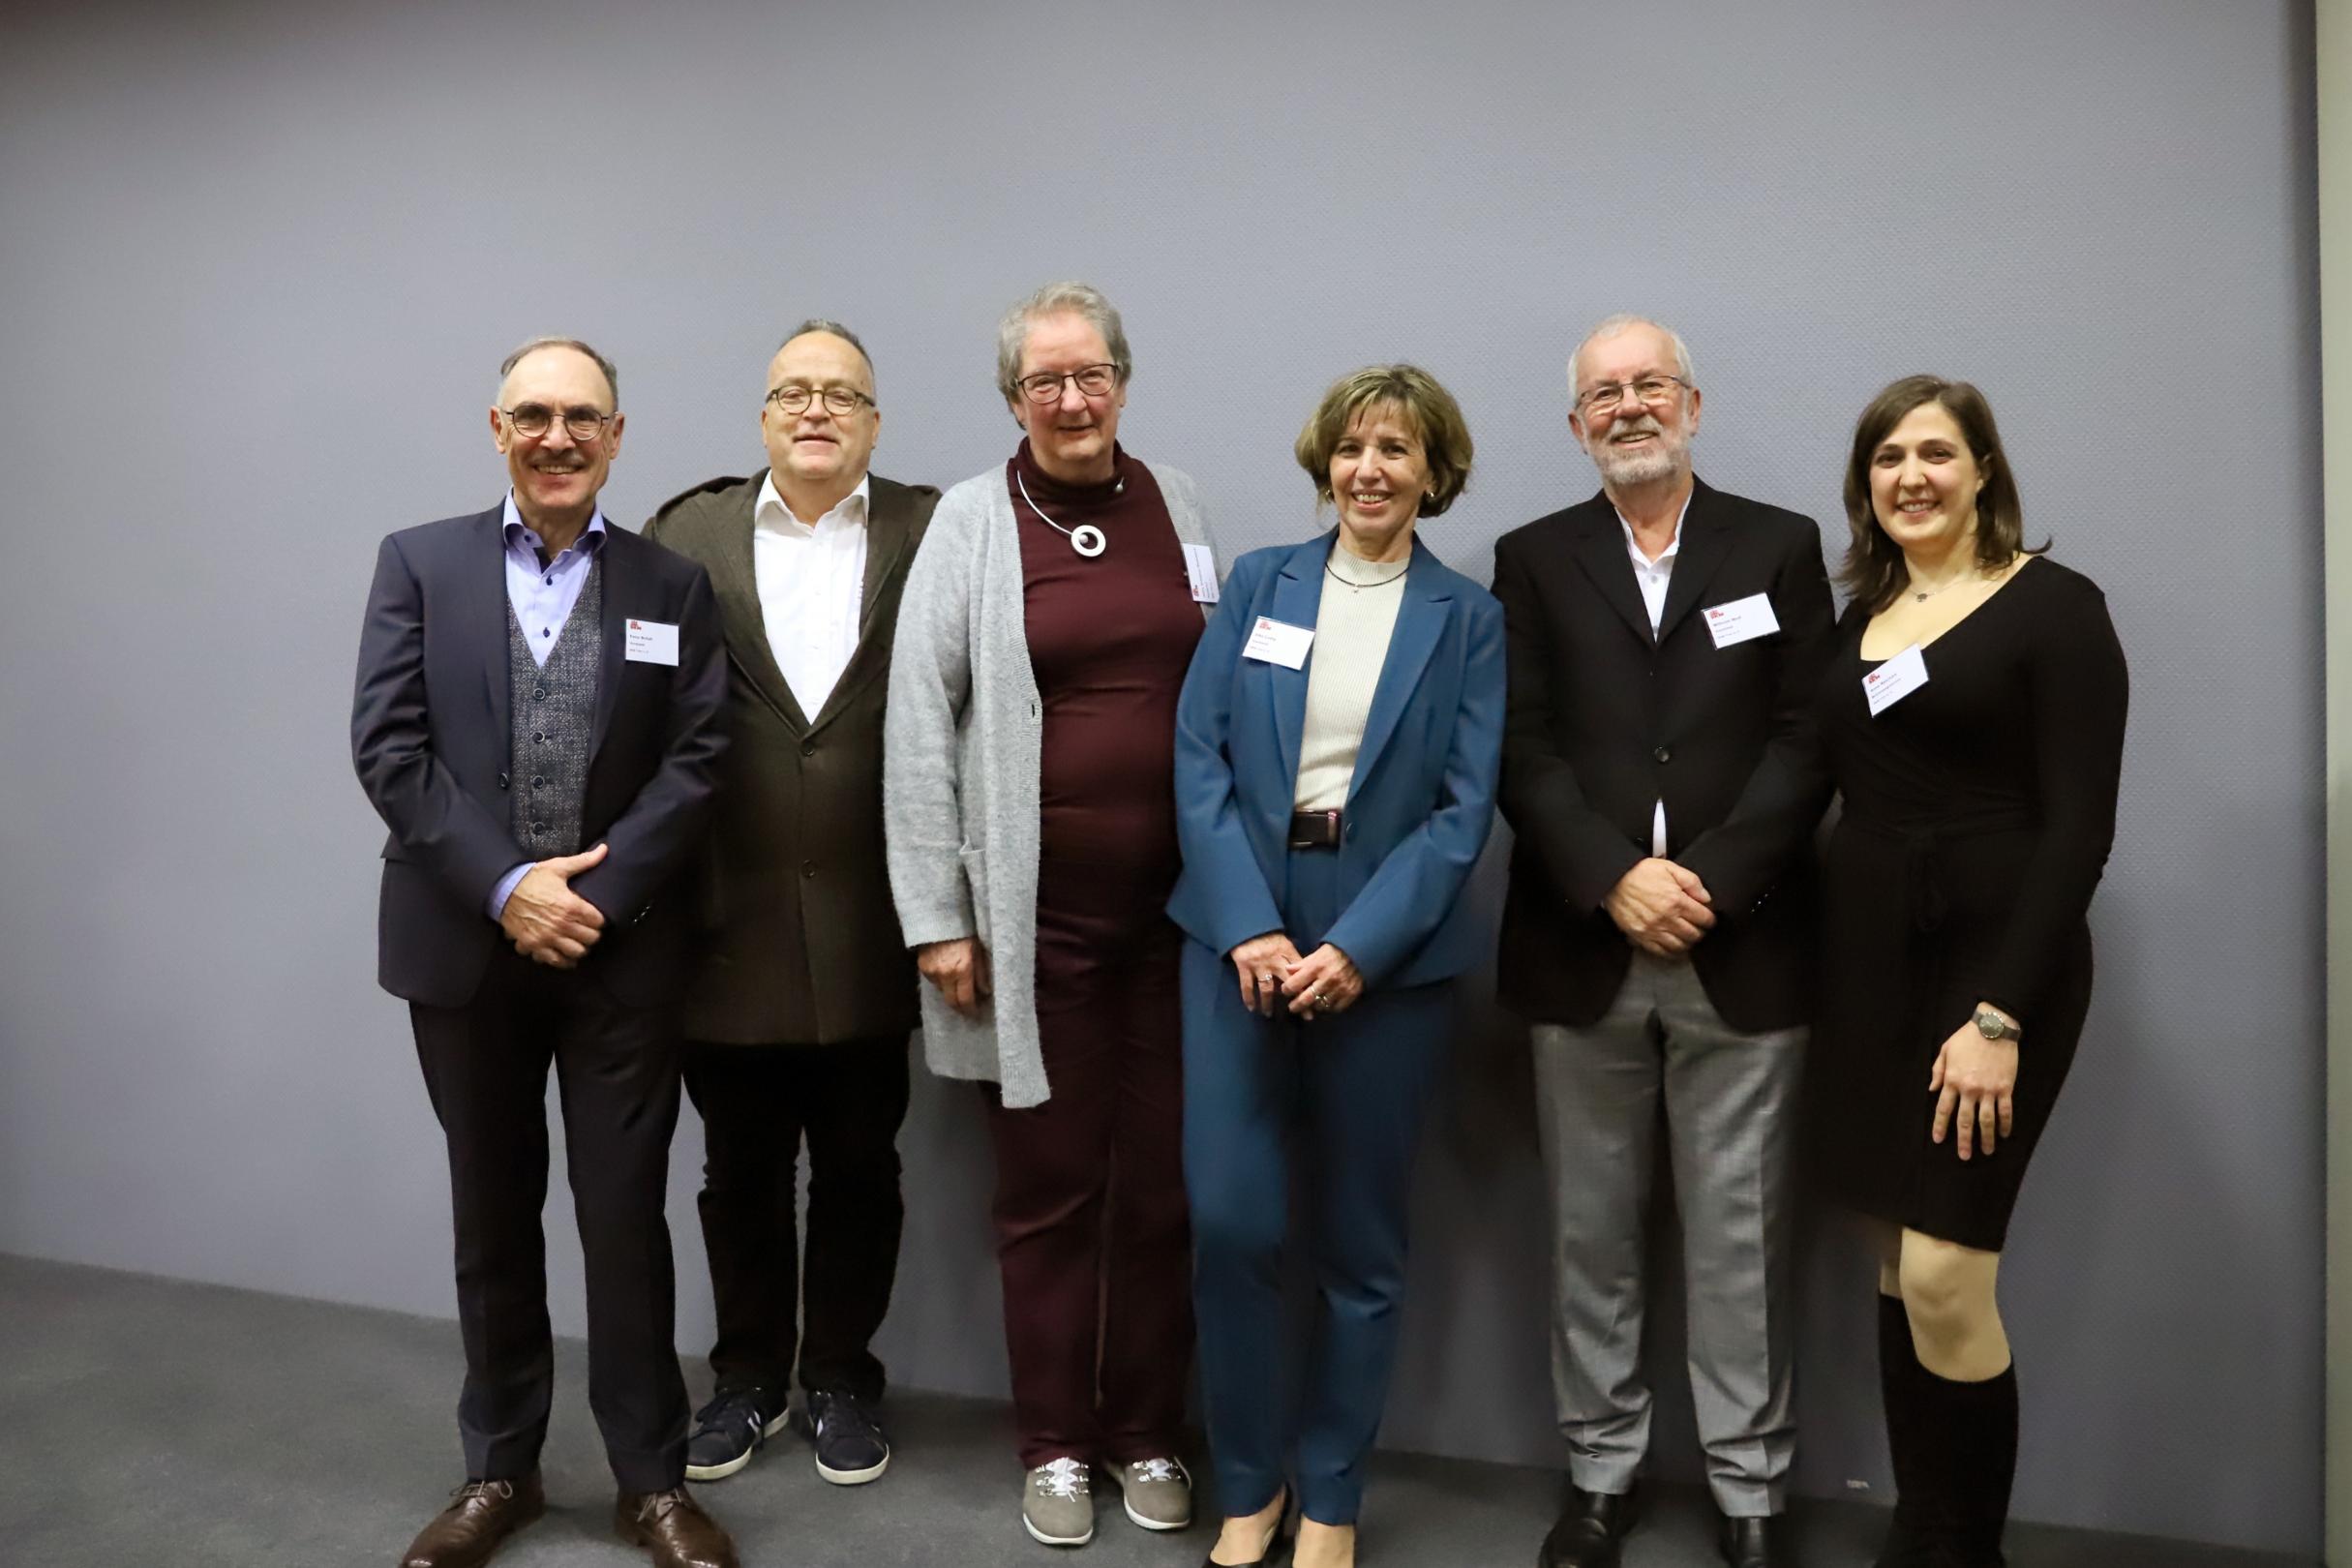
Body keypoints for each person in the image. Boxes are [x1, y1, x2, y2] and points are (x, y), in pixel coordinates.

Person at [351, 337, 739, 1568]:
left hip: (620, 957)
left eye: (583, 416)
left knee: (626, 1216)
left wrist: (600, 893)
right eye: (534, 415)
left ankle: (653, 1483)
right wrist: (510, 886)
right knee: (492, 1214)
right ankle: (498, 1471)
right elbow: (390, 749)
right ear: (497, 427)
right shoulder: (419, 564)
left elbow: (699, 758)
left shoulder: (673, 587)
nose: (558, 436)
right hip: (464, 951)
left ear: (618, 436)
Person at [1491, 315, 1835, 1568]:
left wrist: (1704, 879)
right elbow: (1517, 748)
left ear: (1690, 405)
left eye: (1647, 387)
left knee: (1738, 1238)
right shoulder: (1530, 560)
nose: (1626, 407)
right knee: (1590, 1239)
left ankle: (1750, 1492)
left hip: (1737, 946)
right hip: (1581, 945)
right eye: (1602, 393)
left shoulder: (1777, 547)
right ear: (1575, 425)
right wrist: (1610, 879)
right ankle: (1599, 1477)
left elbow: (1808, 738)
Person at [883, 281, 1219, 1548]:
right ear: (1013, 399)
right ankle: (1057, 1446)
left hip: (1177, 927)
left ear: (1122, 382)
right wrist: (937, 918)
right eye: (1044, 383)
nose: (1071, 401)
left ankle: (1142, 1431)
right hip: (1031, 937)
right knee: (1049, 1189)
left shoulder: (1175, 502)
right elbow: (919, 724)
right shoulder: (972, 520)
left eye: (1090, 377)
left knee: (1166, 1192)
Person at [1172, 366, 1503, 1568]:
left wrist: (1359, 948)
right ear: (1326, 462)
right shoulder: (1261, 583)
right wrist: (1251, 924)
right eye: (1355, 446)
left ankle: (1331, 1497)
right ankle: (1249, 1484)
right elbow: (1197, 760)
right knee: (1233, 1225)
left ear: (1433, 474)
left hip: (1388, 955)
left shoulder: (1467, 618)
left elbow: (1463, 814)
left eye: (1398, 451)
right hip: (1239, 937)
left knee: (1361, 1247)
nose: (1372, 469)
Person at [1810, 376, 2126, 1568]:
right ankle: (1923, 1529)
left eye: (1937, 452)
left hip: (1996, 975)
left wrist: (2000, 1012)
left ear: (1984, 468)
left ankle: (1964, 1551)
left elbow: (2079, 829)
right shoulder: (1861, 622)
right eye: (1888, 456)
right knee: (1896, 1262)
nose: (1911, 476)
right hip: (1870, 973)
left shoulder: (2054, 607)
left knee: (1947, 1272)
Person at [641, 320, 940, 1489]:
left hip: (881, 908)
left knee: (865, 1163)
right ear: (764, 416)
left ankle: (842, 1380)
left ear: (875, 421)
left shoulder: (930, 529)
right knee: (739, 1168)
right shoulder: (690, 530)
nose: (816, 411)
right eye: (793, 394)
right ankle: (747, 1380)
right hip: (726, 913)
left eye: (843, 396)